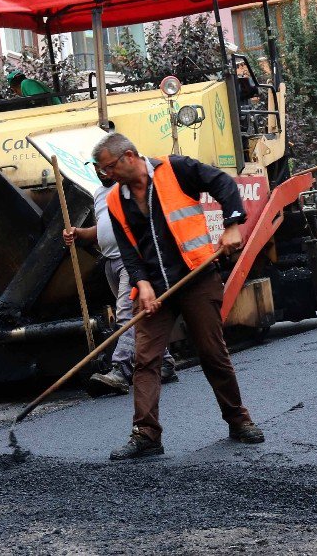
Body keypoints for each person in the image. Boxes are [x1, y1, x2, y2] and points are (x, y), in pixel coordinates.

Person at [93, 132, 264, 460]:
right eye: (103, 171)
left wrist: (232, 224)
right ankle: (146, 434)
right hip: (156, 288)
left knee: (212, 353)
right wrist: (142, 283)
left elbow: (224, 185)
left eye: (110, 167)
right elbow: (129, 249)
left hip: (196, 277)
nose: (107, 175)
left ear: (129, 156)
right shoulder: (116, 199)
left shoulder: (177, 169)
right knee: (145, 360)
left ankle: (238, 419)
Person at [63, 176, 179, 394]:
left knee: (126, 315)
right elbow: (102, 228)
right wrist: (80, 233)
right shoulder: (98, 194)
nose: (101, 171)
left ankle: (120, 369)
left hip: (132, 262)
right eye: (96, 166)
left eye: (104, 166)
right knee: (139, 315)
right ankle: (165, 362)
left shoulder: (126, 188)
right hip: (111, 262)